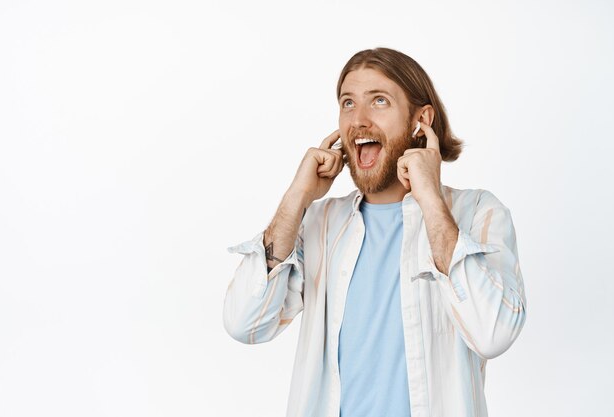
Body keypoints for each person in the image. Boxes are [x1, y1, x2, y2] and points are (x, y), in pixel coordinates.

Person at [223, 47, 527, 417]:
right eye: (348, 103)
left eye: (378, 101)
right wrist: (296, 197)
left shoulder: (478, 212)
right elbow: (245, 323)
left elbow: (493, 333)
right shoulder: (319, 223)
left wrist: (429, 197)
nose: (359, 120)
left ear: (421, 121)